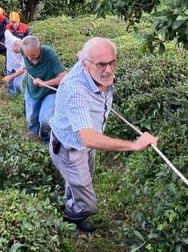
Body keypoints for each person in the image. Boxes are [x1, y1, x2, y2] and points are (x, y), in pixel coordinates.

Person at [49, 37, 158, 232]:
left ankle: (72, 204)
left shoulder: (88, 64)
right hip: (70, 148)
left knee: (81, 183)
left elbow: (81, 55)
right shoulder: (76, 91)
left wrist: (90, 58)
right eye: (101, 64)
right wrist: (134, 145)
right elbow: (88, 138)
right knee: (88, 202)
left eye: (112, 62)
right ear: (85, 65)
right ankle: (71, 219)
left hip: (87, 146)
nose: (108, 70)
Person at [21, 35, 67, 142]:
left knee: (45, 120)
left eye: (33, 55)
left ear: (39, 48)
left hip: (50, 91)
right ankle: (34, 133)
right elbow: (17, 47)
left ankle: (46, 139)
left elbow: (64, 76)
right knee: (32, 117)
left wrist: (45, 83)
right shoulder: (23, 50)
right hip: (32, 90)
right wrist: (24, 64)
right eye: (27, 56)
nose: (30, 59)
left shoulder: (49, 54)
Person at [2, 29, 25, 94]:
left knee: (17, 84)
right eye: (16, 51)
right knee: (10, 84)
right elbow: (6, 31)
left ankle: (19, 96)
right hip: (10, 64)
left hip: (19, 68)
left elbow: (22, 69)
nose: (17, 53)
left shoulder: (25, 50)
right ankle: (12, 95)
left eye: (19, 52)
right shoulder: (10, 39)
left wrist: (9, 77)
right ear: (14, 45)